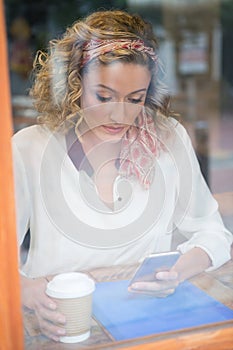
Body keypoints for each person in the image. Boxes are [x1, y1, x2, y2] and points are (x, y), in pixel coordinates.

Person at [12, 9, 232, 341]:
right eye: (104, 96)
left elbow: (213, 234)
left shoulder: (168, 138)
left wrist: (176, 271)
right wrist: (27, 292)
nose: (120, 114)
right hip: (61, 328)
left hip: (147, 327)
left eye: (135, 99)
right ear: (75, 83)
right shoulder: (29, 149)